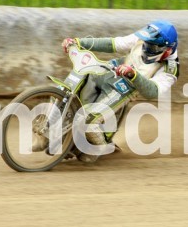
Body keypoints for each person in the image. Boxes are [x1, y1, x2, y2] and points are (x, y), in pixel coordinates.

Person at [59, 20, 179, 162]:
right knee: (73, 94)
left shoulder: (170, 69)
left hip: (125, 88)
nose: (147, 47)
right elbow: (114, 44)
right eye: (146, 42)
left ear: (168, 50)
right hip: (110, 70)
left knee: (88, 120)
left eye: (152, 46)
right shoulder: (143, 37)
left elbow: (152, 92)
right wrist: (79, 42)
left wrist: (133, 75)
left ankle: (101, 148)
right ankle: (66, 137)